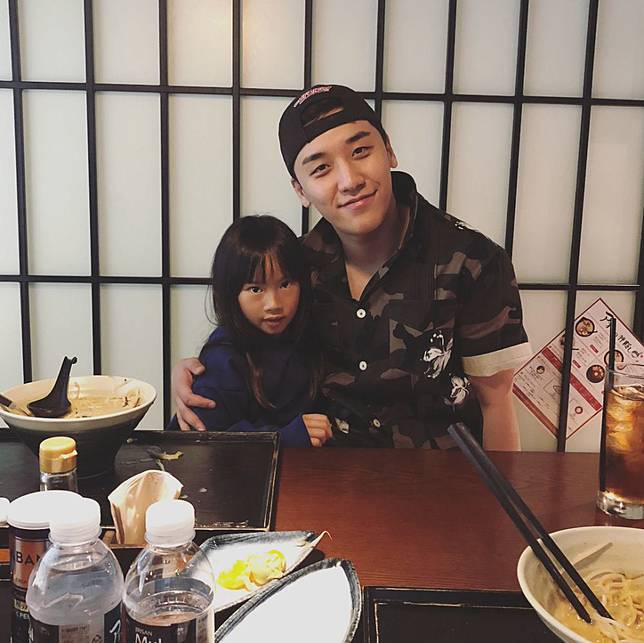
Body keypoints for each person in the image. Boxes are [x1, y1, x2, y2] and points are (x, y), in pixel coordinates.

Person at [173, 84, 532, 450]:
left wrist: (499, 489)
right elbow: (244, 344)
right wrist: (197, 375)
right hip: (317, 473)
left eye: (360, 151)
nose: (349, 181)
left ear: (389, 150)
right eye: (321, 168)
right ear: (300, 190)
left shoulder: (473, 261)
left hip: (437, 477)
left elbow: (495, 401)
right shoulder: (294, 269)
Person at [166, 215, 332, 447]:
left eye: (285, 284)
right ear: (231, 293)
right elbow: (203, 440)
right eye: (255, 289)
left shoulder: (307, 334)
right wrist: (283, 438)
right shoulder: (223, 359)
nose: (274, 304)